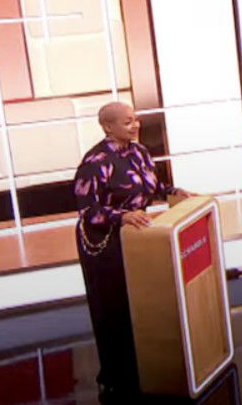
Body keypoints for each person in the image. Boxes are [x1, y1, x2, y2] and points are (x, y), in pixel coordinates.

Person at [74, 102, 190, 400]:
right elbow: (88, 210)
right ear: (108, 127)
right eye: (127, 122)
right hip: (103, 242)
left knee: (138, 302)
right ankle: (116, 378)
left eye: (135, 120)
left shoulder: (140, 152)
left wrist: (172, 192)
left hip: (135, 236)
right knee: (113, 307)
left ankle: (142, 368)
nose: (135, 125)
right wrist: (121, 216)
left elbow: (152, 186)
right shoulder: (95, 161)